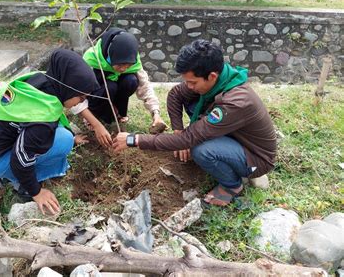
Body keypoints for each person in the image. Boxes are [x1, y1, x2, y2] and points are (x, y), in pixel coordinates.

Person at [113, 39, 277, 207]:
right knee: (191, 108)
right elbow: (176, 95)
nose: (188, 86)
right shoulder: (220, 80)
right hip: (232, 137)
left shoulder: (235, 102)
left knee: (201, 150)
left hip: (256, 158)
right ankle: (228, 159)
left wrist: (134, 139)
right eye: (186, 81)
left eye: (193, 82)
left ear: (212, 76)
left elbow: (189, 139)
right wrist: (178, 132)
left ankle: (232, 186)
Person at [0, 49, 99, 215]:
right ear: (68, 90)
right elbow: (20, 159)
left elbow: (51, 119)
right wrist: (37, 191)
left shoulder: (41, 81)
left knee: (63, 135)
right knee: (64, 141)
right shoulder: (41, 122)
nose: (81, 102)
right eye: (81, 97)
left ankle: (9, 173)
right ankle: (21, 185)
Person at [73, 27, 167, 144]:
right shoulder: (92, 58)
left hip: (116, 93)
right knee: (110, 86)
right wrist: (90, 118)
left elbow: (145, 87)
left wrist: (156, 113)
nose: (123, 69)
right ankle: (96, 114)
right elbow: (77, 92)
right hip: (97, 94)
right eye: (120, 64)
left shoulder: (134, 61)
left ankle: (118, 113)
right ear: (111, 55)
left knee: (131, 80)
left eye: (128, 65)